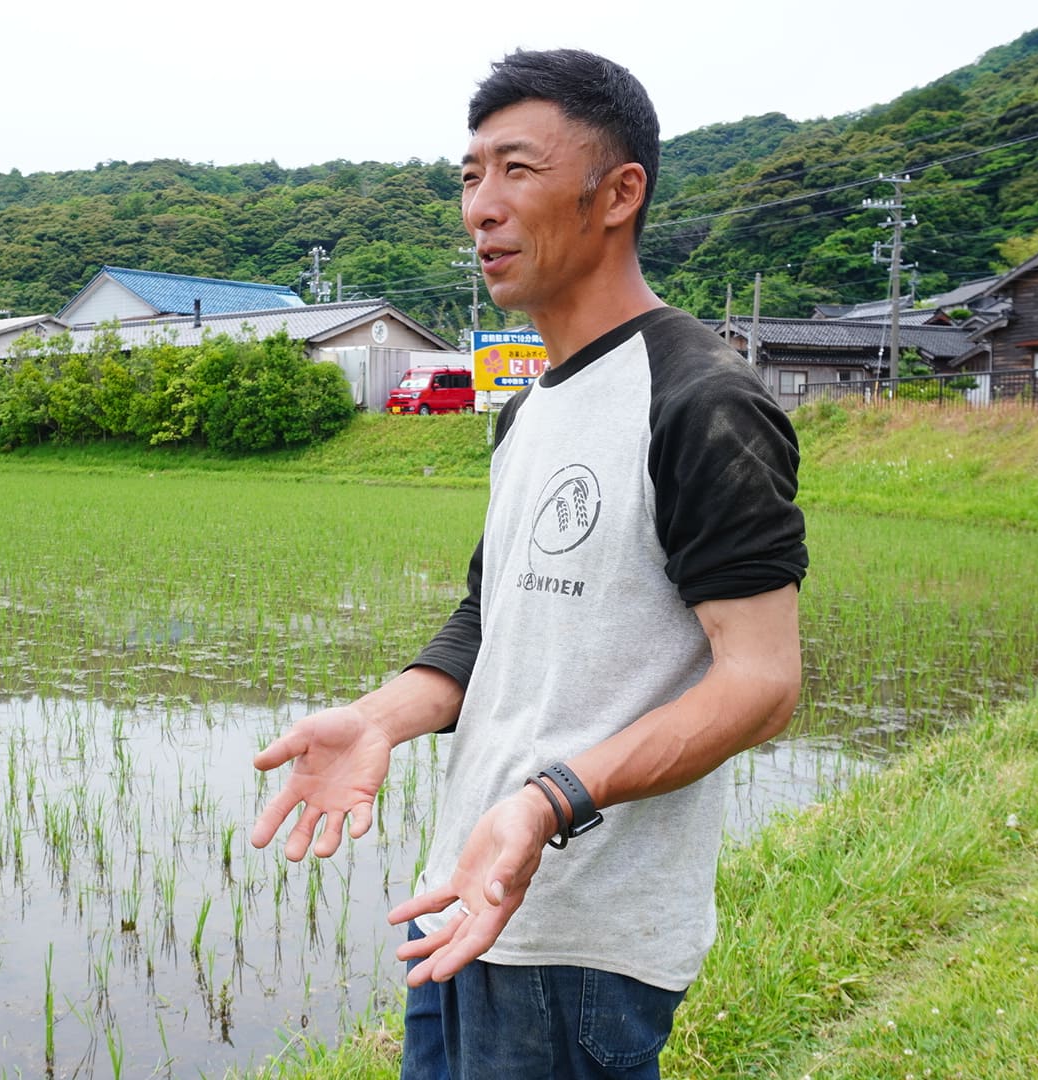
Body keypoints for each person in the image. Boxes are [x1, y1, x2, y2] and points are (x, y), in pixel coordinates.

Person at [251, 47, 808, 1079]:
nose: (479, 209)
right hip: (465, 902)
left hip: (578, 945)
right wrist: (376, 719)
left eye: (515, 169)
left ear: (617, 193)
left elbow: (761, 682)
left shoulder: (699, 398)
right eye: (468, 176)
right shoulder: (529, 408)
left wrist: (546, 800)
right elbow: (487, 625)